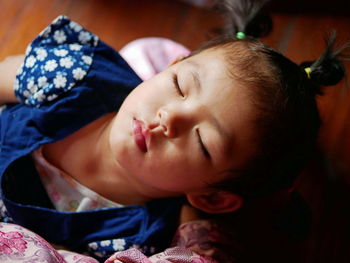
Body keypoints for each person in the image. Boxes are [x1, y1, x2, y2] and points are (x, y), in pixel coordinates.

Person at [0, 0, 348, 261]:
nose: (169, 117)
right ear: (168, 68)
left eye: (202, 141)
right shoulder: (79, 77)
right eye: (179, 85)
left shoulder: (139, 239)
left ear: (212, 197)